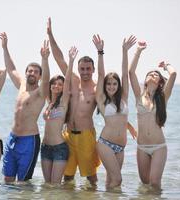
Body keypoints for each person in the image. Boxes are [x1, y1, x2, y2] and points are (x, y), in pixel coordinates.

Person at [47, 17, 100, 185]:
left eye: (88, 69)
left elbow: (112, 107)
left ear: (93, 70)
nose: (85, 72)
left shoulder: (97, 88)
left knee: (91, 177)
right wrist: (50, 34)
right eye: (82, 69)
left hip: (86, 136)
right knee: (67, 177)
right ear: (78, 69)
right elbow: (59, 58)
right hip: (67, 135)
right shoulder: (73, 81)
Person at [0, 32, 50, 183]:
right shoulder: (21, 85)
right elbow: (10, 68)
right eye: (29, 71)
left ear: (39, 76)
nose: (32, 73)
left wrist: (44, 59)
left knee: (23, 182)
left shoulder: (40, 92)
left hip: (29, 141)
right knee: (7, 179)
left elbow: (47, 79)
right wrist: (5, 47)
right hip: (12, 138)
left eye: (35, 71)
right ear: (26, 73)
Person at [129, 41, 177, 189]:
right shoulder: (139, 96)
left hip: (158, 147)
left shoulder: (163, 97)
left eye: (156, 74)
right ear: (146, 80)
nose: (153, 74)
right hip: (142, 146)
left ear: (160, 82)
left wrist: (165, 66)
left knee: (155, 183)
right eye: (150, 73)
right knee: (145, 183)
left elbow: (173, 74)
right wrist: (138, 51)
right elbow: (131, 72)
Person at [93, 34, 136, 188]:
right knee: (118, 179)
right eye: (109, 84)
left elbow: (125, 74)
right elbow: (100, 74)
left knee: (112, 182)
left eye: (114, 84)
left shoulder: (123, 98)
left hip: (121, 147)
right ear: (105, 86)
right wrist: (100, 52)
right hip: (105, 144)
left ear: (118, 86)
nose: (111, 86)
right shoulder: (102, 99)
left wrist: (124, 51)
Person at [41, 46, 78, 184]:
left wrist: (71, 60)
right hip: (45, 147)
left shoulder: (63, 101)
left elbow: (68, 80)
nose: (56, 86)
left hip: (59, 148)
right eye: (54, 84)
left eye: (60, 84)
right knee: (47, 185)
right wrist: (45, 59)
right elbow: (44, 79)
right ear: (50, 86)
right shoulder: (48, 102)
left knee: (55, 185)